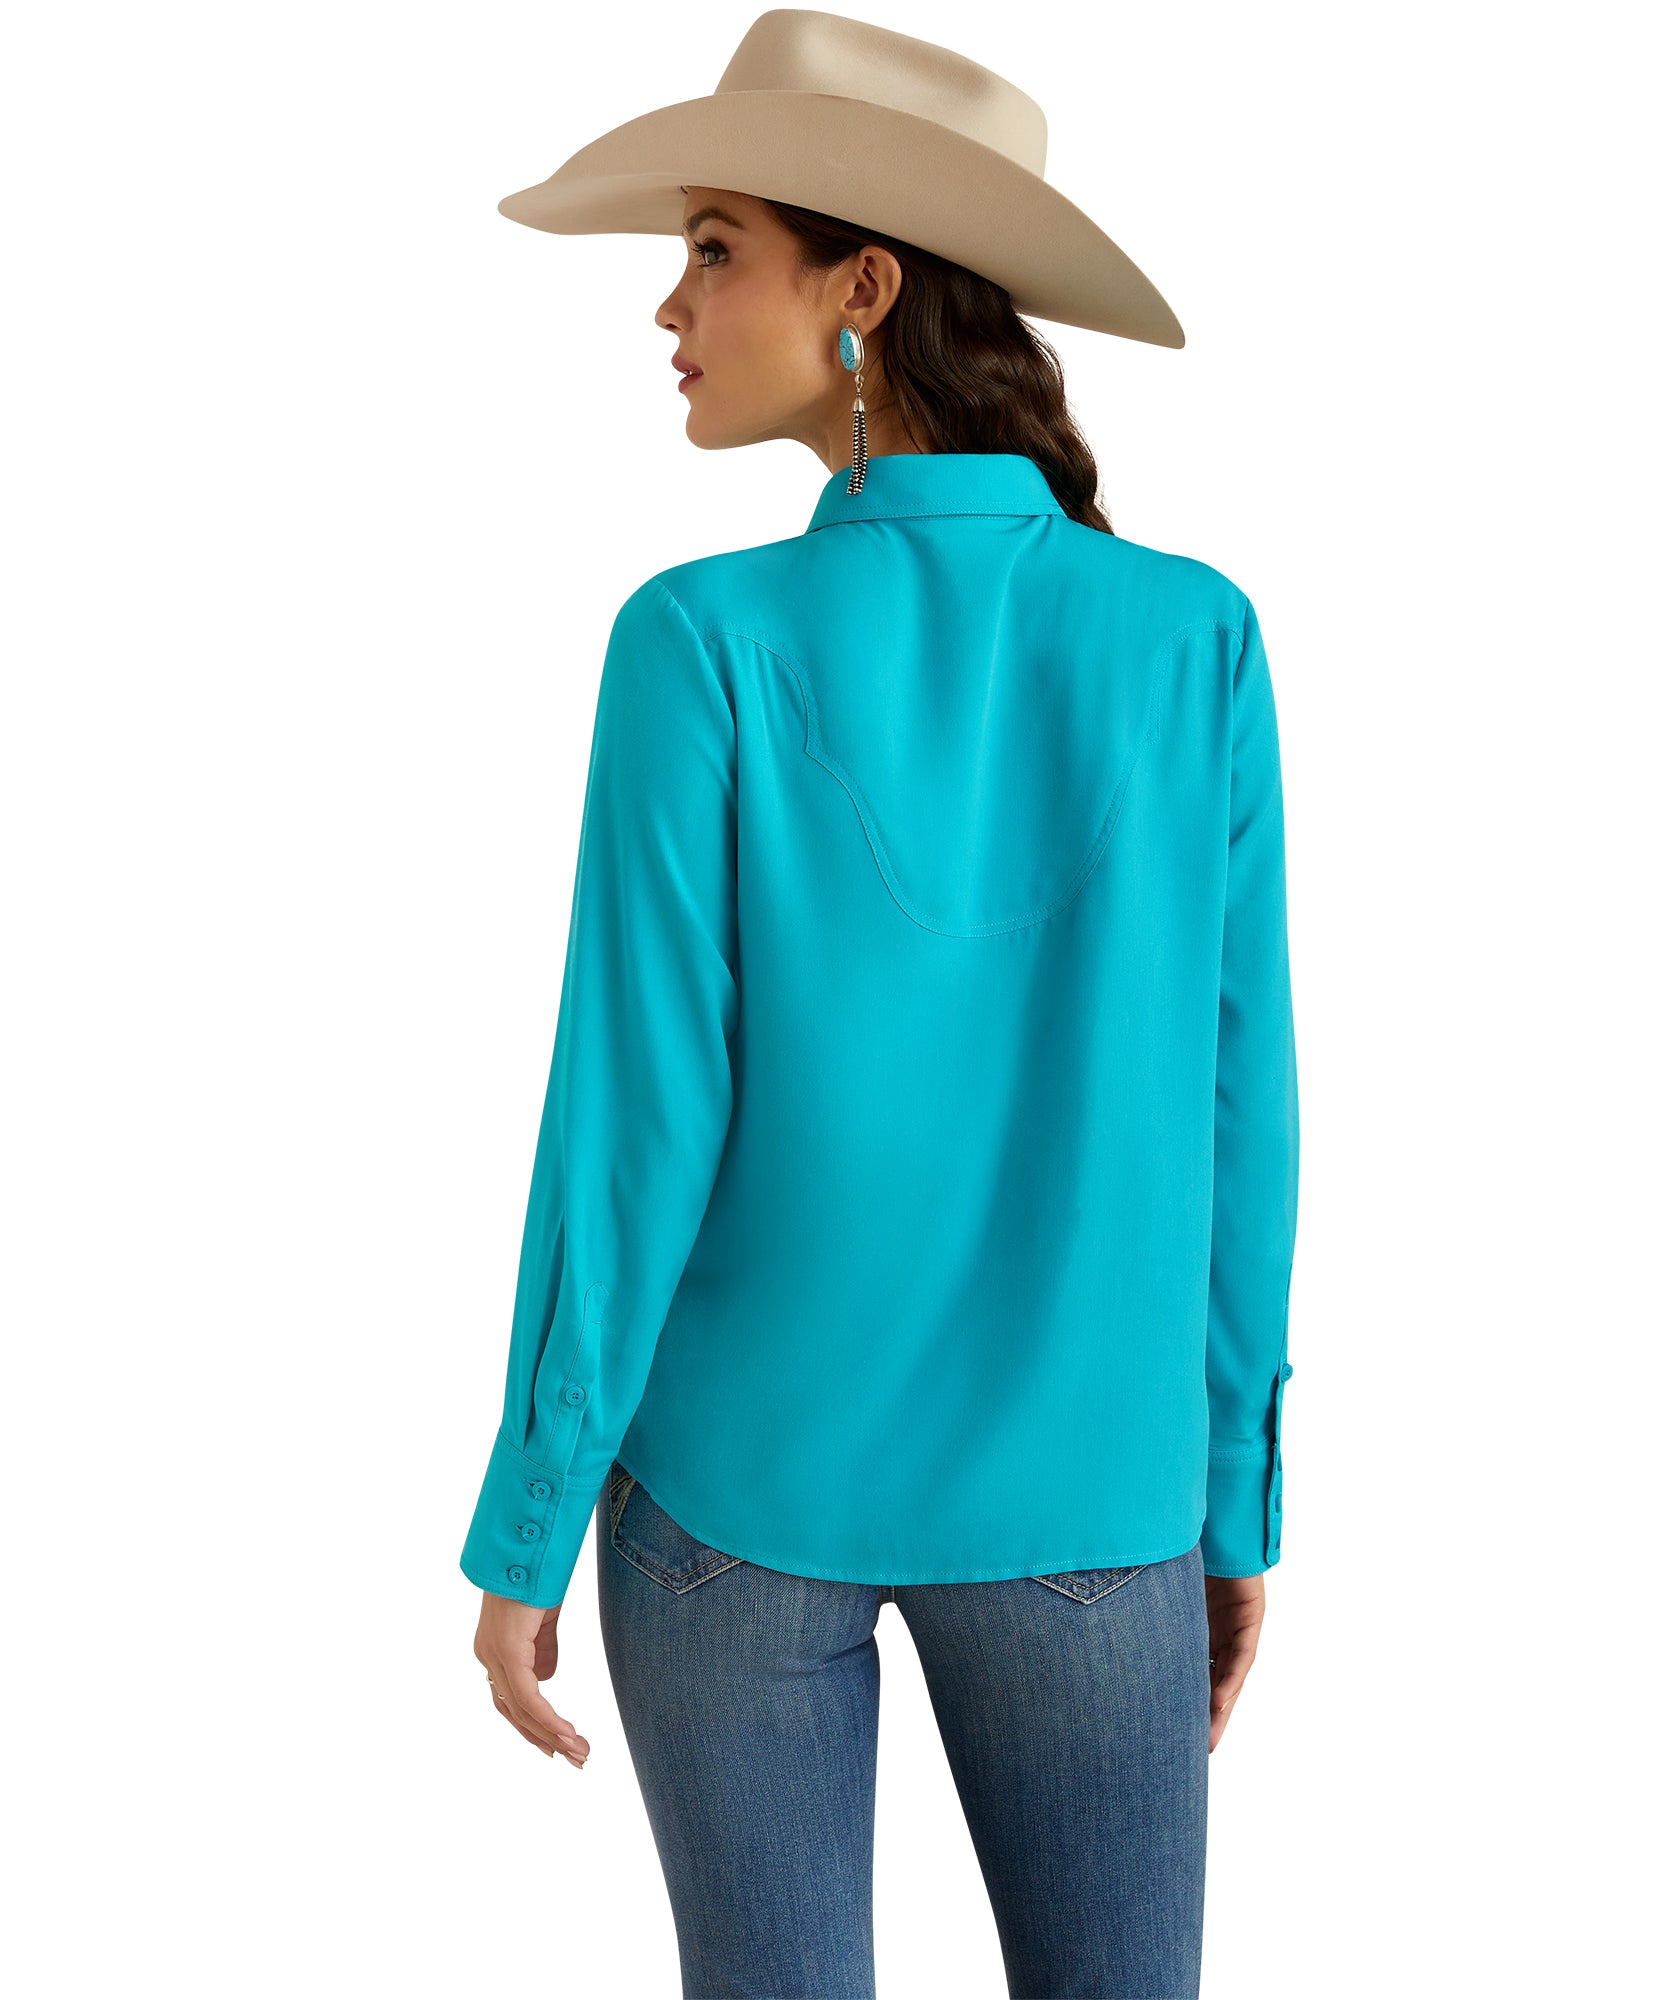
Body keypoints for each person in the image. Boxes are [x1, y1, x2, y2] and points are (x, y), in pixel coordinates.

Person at [460, 12, 1300, 1996]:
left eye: (712, 248)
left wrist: (530, 1516)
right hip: (1091, 1507)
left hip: (730, 1509)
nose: (668, 305)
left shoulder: (699, 641)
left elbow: (633, 1120)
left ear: (866, 289)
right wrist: (1234, 1494)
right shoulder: (1192, 638)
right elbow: (1240, 1109)